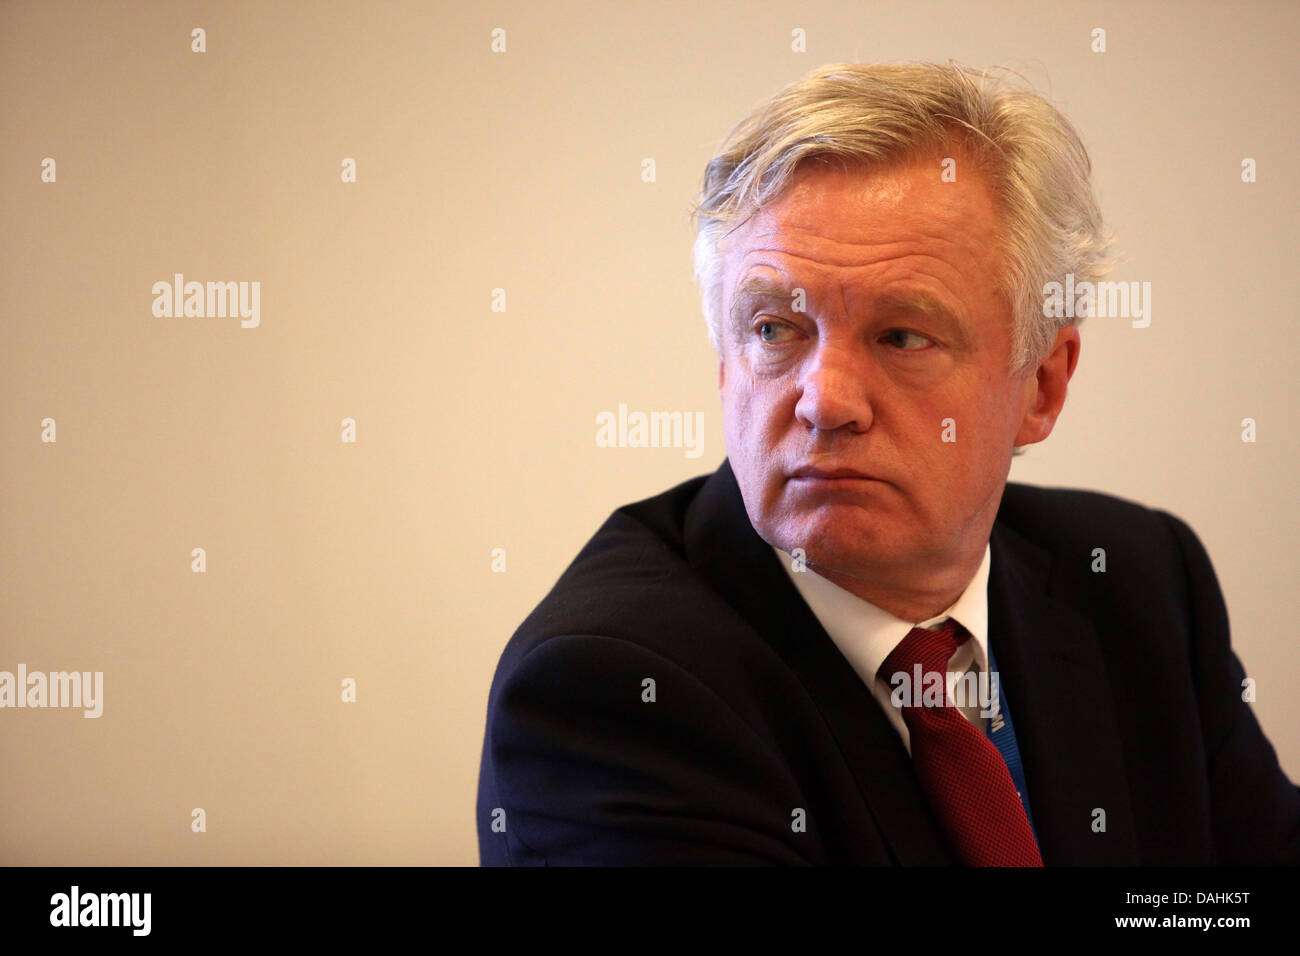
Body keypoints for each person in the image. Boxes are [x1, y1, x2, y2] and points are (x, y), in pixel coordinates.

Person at [475, 62, 1300, 865]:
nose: (825, 402)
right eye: (774, 331)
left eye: (903, 335)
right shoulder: (613, 691)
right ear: (725, 365)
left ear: (1042, 385)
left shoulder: (1141, 581)